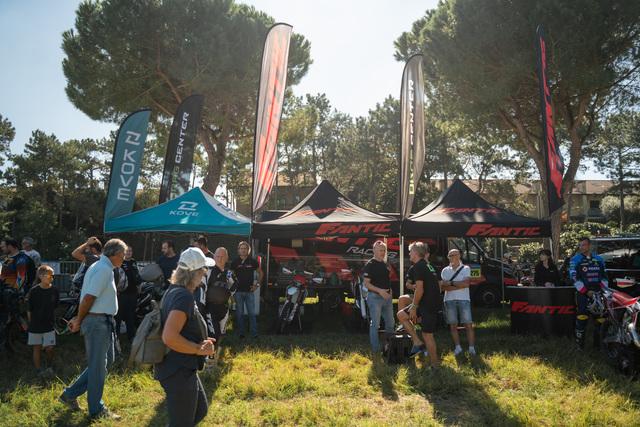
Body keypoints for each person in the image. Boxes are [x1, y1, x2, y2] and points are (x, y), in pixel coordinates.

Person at [59, 239, 127, 420]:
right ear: (114, 254)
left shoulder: (101, 266)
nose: (123, 259)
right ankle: (96, 409)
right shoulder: (103, 269)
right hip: (97, 322)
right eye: (122, 255)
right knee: (98, 367)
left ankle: (70, 394)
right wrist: (79, 319)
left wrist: (80, 318)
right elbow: (89, 297)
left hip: (102, 321)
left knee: (106, 362)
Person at [155, 247, 215, 427]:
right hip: (178, 370)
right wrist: (198, 349)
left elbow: (182, 329)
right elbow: (169, 337)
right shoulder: (183, 297)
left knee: (200, 410)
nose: (205, 273)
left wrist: (200, 340)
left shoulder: (174, 290)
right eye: (203, 270)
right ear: (194, 273)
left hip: (181, 367)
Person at [570, 237, 609, 349]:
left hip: (598, 292)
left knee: (600, 319)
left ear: (589, 246)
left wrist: (603, 290)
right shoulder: (575, 259)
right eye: (580, 245)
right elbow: (574, 278)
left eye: (584, 245)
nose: (581, 247)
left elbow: (604, 277)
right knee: (582, 317)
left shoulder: (599, 259)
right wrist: (586, 291)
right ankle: (579, 346)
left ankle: (598, 346)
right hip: (583, 293)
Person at [440, 249, 476, 356]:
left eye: (453, 255)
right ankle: (458, 347)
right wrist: (459, 285)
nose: (451, 257)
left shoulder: (466, 268)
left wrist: (450, 283)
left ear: (459, 255)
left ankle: (471, 348)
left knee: (468, 324)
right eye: (449, 255)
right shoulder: (445, 270)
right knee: (453, 326)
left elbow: (466, 284)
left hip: (464, 300)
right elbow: (443, 288)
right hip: (449, 300)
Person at [363, 241, 394, 353]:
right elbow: (366, 284)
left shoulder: (385, 263)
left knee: (390, 324)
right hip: (375, 298)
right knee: (375, 324)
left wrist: (390, 291)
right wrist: (380, 291)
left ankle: (389, 347)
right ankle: (376, 350)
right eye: (380, 250)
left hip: (387, 298)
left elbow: (386, 279)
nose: (383, 252)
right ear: (374, 250)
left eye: (384, 250)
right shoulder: (370, 264)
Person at [27, 264, 59, 376]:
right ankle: (38, 370)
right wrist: (31, 324)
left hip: (49, 325)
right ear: (41, 276)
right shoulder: (34, 291)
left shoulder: (55, 290)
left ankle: (49, 366)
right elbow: (29, 309)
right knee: (37, 348)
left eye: (53, 276)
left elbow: (55, 307)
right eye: (49, 275)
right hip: (35, 325)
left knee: (50, 348)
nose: (52, 278)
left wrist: (54, 322)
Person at [230, 241, 263, 339]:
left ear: (248, 250)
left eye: (245, 248)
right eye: (241, 248)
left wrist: (257, 285)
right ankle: (241, 333)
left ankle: (254, 333)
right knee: (239, 314)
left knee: (252, 314)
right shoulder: (235, 262)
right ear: (238, 250)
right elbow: (230, 276)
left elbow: (261, 273)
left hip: (249, 291)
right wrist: (232, 289)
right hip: (238, 292)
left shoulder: (252, 261)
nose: (243, 250)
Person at [116, 246, 141, 343]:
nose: (129, 252)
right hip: (122, 294)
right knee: (118, 316)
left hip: (133, 293)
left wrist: (139, 286)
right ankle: (116, 338)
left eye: (130, 251)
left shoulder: (134, 262)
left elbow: (137, 275)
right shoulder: (119, 262)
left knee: (131, 316)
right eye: (127, 251)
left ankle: (131, 337)